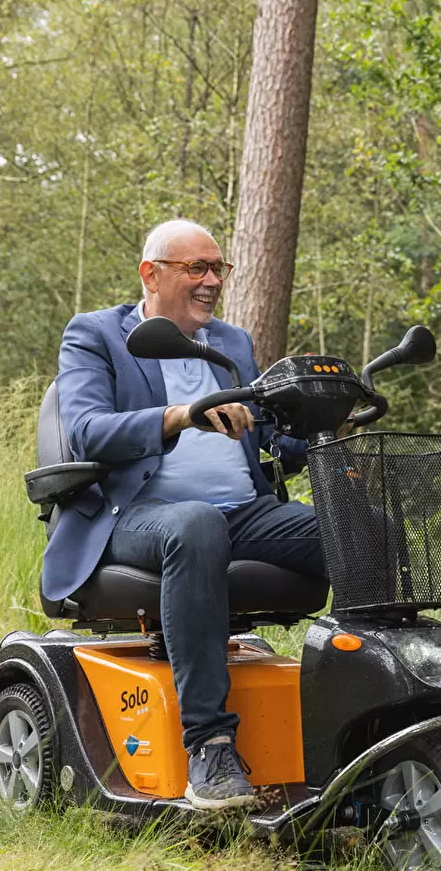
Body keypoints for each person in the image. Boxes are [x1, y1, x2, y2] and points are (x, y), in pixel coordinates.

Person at [42, 218, 324, 810]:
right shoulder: (97, 334)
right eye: (196, 267)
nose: (212, 281)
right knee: (196, 522)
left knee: (354, 526)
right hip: (134, 515)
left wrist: (327, 423)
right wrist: (180, 415)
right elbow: (89, 431)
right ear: (152, 273)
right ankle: (210, 748)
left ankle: (359, 713)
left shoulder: (234, 343)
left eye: (218, 268)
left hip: (244, 512)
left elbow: (273, 436)